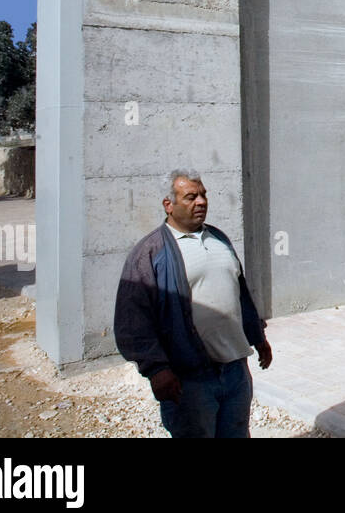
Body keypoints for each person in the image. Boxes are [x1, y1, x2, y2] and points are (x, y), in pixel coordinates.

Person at [114, 170, 272, 438]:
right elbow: (132, 320)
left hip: (236, 371)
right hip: (190, 379)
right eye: (191, 196)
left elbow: (240, 294)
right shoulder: (150, 252)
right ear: (169, 205)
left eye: (203, 195)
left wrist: (258, 336)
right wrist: (157, 370)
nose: (201, 201)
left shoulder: (219, 239)